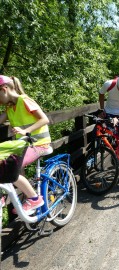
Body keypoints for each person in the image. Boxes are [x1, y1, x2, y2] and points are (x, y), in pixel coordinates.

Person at [0, 75, 53, 214]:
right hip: (24, 145)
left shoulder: (24, 100)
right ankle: (3, 196)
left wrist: (25, 131)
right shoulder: (10, 108)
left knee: (10, 168)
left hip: (39, 144)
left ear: (4, 89)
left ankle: (34, 198)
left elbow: (44, 119)